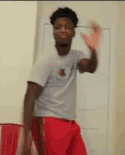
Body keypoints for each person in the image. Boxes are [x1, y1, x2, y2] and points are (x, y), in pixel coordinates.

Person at [21, 7, 101, 155]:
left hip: (70, 123)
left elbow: (90, 67)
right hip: (48, 121)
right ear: (53, 32)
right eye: (58, 27)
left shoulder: (76, 56)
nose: (62, 30)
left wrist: (93, 52)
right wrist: (25, 139)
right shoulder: (46, 61)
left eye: (67, 27)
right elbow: (29, 97)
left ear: (73, 32)